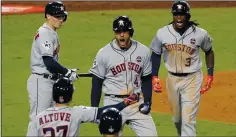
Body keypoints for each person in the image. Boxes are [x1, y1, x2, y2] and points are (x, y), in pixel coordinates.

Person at [150, 1, 215, 136]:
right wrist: (154, 76)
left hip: (192, 79)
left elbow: (209, 51)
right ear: (173, 15)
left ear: (188, 16)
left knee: (188, 120)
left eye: (182, 14)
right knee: (177, 119)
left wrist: (210, 74)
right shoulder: (162, 33)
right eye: (176, 14)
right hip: (172, 79)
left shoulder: (200, 34)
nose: (179, 17)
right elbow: (156, 54)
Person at [89, 15, 158, 136]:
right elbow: (96, 83)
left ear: (130, 32)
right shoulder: (104, 53)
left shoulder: (143, 51)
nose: (121, 35)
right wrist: (95, 110)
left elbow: (146, 79)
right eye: (118, 31)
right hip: (112, 102)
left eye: (124, 31)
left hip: (135, 102)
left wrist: (148, 102)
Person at [27, 1, 78, 134]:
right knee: (37, 121)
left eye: (62, 16)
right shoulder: (45, 33)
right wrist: (66, 72)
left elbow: (52, 63)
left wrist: (64, 73)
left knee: (49, 121)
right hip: (41, 82)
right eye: (57, 16)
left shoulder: (51, 32)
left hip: (49, 81)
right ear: (48, 16)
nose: (60, 20)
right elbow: (48, 61)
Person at [26, 77, 139, 136]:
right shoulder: (76, 113)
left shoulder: (39, 117)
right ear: (70, 95)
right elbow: (102, 112)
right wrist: (124, 103)